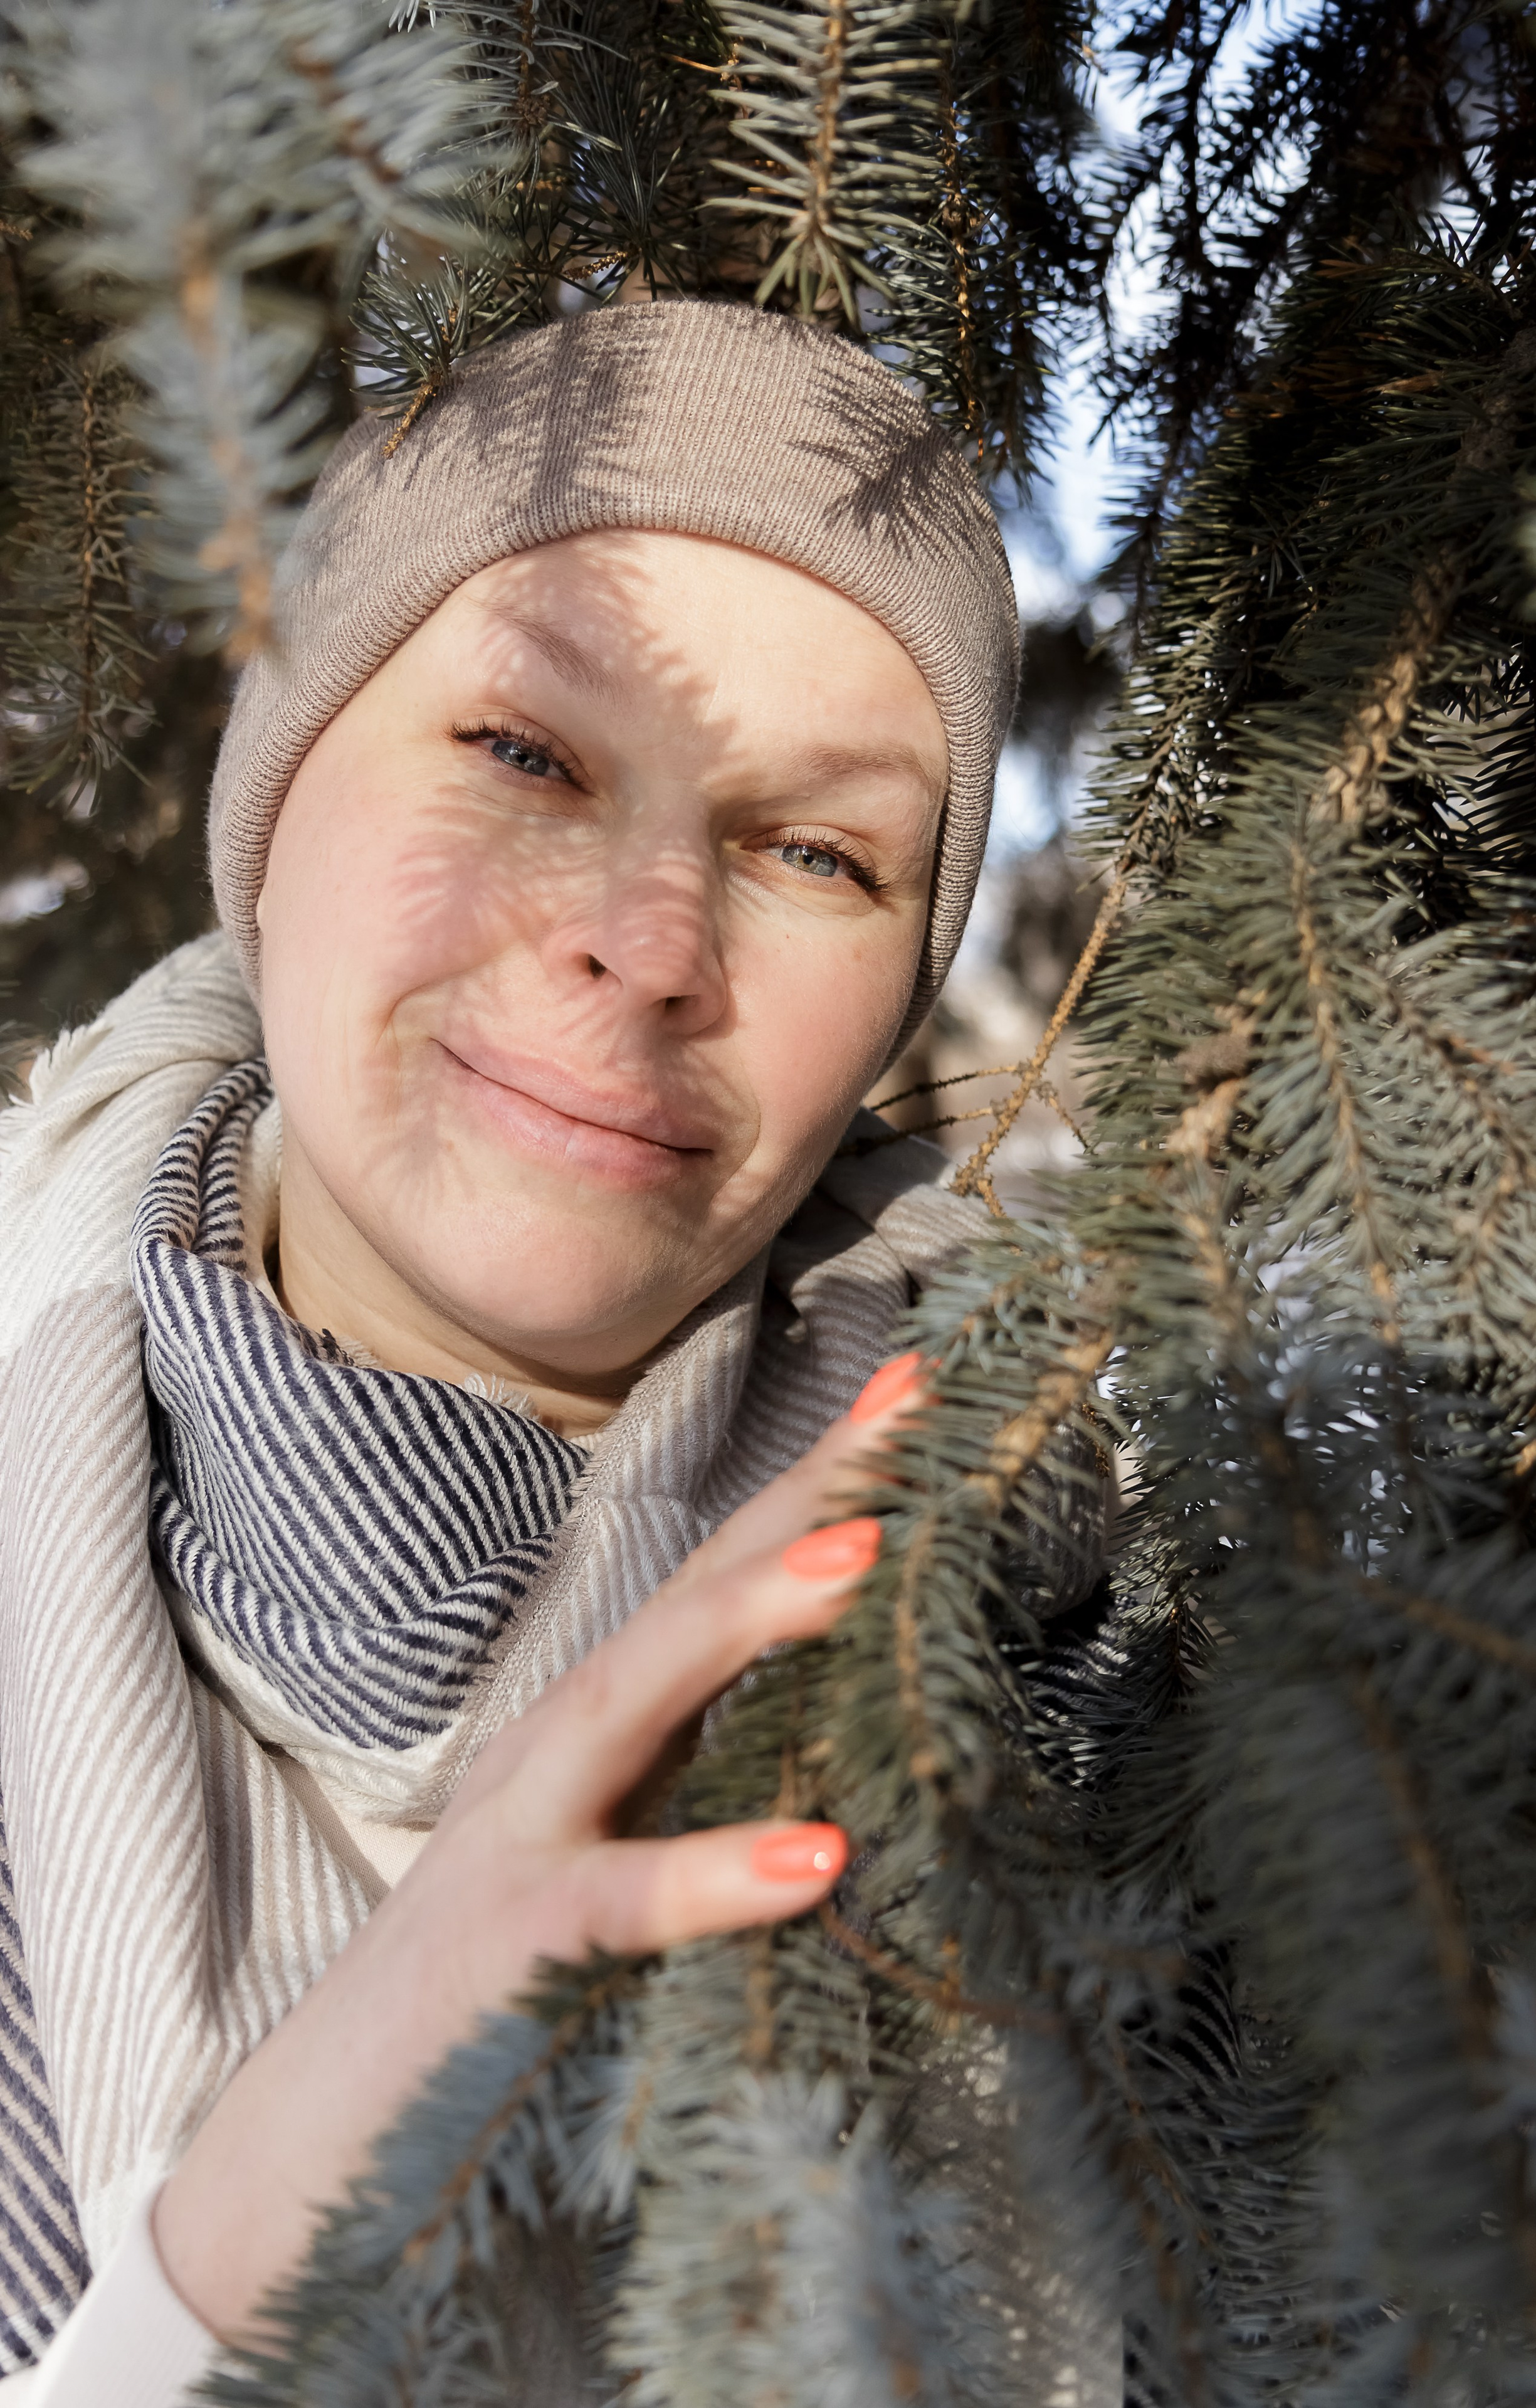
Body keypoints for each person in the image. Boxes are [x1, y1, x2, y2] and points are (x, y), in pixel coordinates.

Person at [0, 299, 1091, 2401]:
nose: (653, 940)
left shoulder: (1147, 1691)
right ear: (282, 778)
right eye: (527, 751)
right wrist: (222, 2271)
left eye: (815, 851)